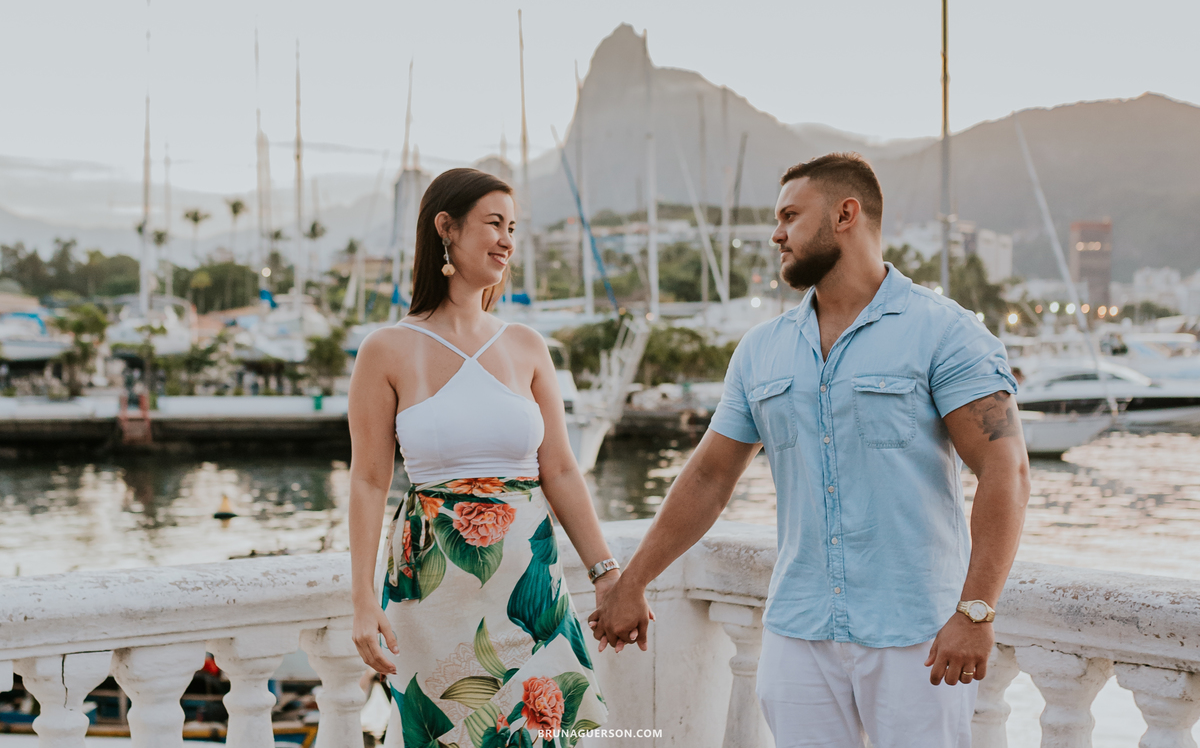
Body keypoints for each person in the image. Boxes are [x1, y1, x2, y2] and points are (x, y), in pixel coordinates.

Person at [589, 153, 1030, 747]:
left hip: (916, 634)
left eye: (790, 216)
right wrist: (634, 580)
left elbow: (1005, 470)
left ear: (846, 214)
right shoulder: (761, 350)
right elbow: (710, 477)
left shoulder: (945, 332)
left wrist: (976, 610)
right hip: (799, 629)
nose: (777, 234)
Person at [348, 168, 613, 747]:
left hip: (532, 594)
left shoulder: (526, 346)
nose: (507, 240)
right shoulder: (385, 350)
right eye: (494, 224)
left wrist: (606, 573)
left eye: (513, 228)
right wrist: (362, 599)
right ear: (446, 228)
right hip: (432, 596)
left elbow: (561, 470)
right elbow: (368, 480)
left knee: (547, 733)